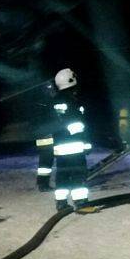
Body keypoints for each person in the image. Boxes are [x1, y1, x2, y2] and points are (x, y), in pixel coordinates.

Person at [51, 68, 96, 213]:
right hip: (75, 146)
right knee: (78, 175)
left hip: (60, 147)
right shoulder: (71, 101)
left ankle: (61, 203)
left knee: (62, 176)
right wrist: (86, 142)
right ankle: (81, 203)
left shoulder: (55, 101)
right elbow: (78, 125)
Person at [34, 82, 57, 192]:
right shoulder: (45, 104)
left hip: (45, 137)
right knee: (45, 164)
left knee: (45, 163)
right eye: (51, 90)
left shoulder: (43, 103)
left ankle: (42, 183)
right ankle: (43, 184)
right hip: (46, 138)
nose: (53, 92)